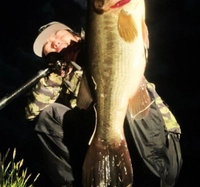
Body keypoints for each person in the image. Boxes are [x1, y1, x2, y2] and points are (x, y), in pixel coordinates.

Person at [25, 21, 182, 187]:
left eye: (57, 34)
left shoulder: (99, 42)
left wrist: (85, 52)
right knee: (49, 115)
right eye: (47, 45)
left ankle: (154, 178)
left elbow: (126, 35)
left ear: (74, 34)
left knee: (124, 95)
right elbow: (32, 112)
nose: (54, 42)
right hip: (106, 147)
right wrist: (57, 74)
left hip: (156, 139)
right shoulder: (60, 80)